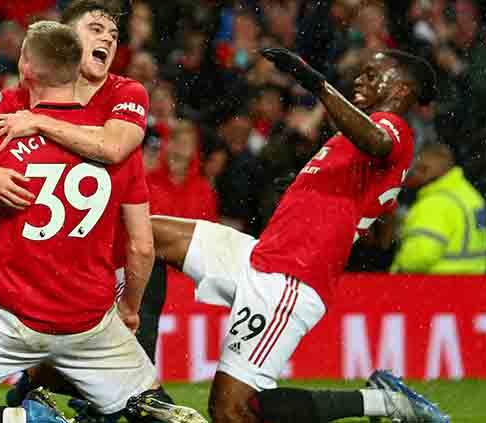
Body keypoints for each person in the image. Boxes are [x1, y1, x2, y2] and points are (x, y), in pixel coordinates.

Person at [0, 21, 204, 423]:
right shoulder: (118, 147)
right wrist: (130, 309)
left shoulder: (3, 138)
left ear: (26, 66)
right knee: (154, 409)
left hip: (8, 320)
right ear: (75, 67)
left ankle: (22, 420)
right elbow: (141, 246)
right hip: (90, 325)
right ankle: (131, 404)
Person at [148, 47, 450, 423]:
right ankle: (139, 386)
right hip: (260, 256)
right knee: (141, 233)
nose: (359, 80)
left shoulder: (393, 128)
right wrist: (305, 190)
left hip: (289, 278)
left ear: (401, 90)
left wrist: (314, 82)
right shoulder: (357, 148)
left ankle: (383, 403)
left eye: (372, 76)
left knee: (231, 412)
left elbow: (377, 141)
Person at [0, 0, 171, 411]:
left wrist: (40, 121)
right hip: (50, 274)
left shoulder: (125, 92)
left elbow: (114, 146)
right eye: (96, 29)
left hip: (116, 269)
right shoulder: (20, 97)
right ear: (65, 38)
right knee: (64, 376)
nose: (108, 39)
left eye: (114, 35)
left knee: (123, 401)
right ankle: (34, 402)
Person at [391, 142, 486, 274]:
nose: (412, 175)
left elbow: (421, 254)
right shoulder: (470, 195)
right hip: (472, 283)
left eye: (416, 169)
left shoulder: (435, 203)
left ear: (425, 169)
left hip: (437, 285)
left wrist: (398, 268)